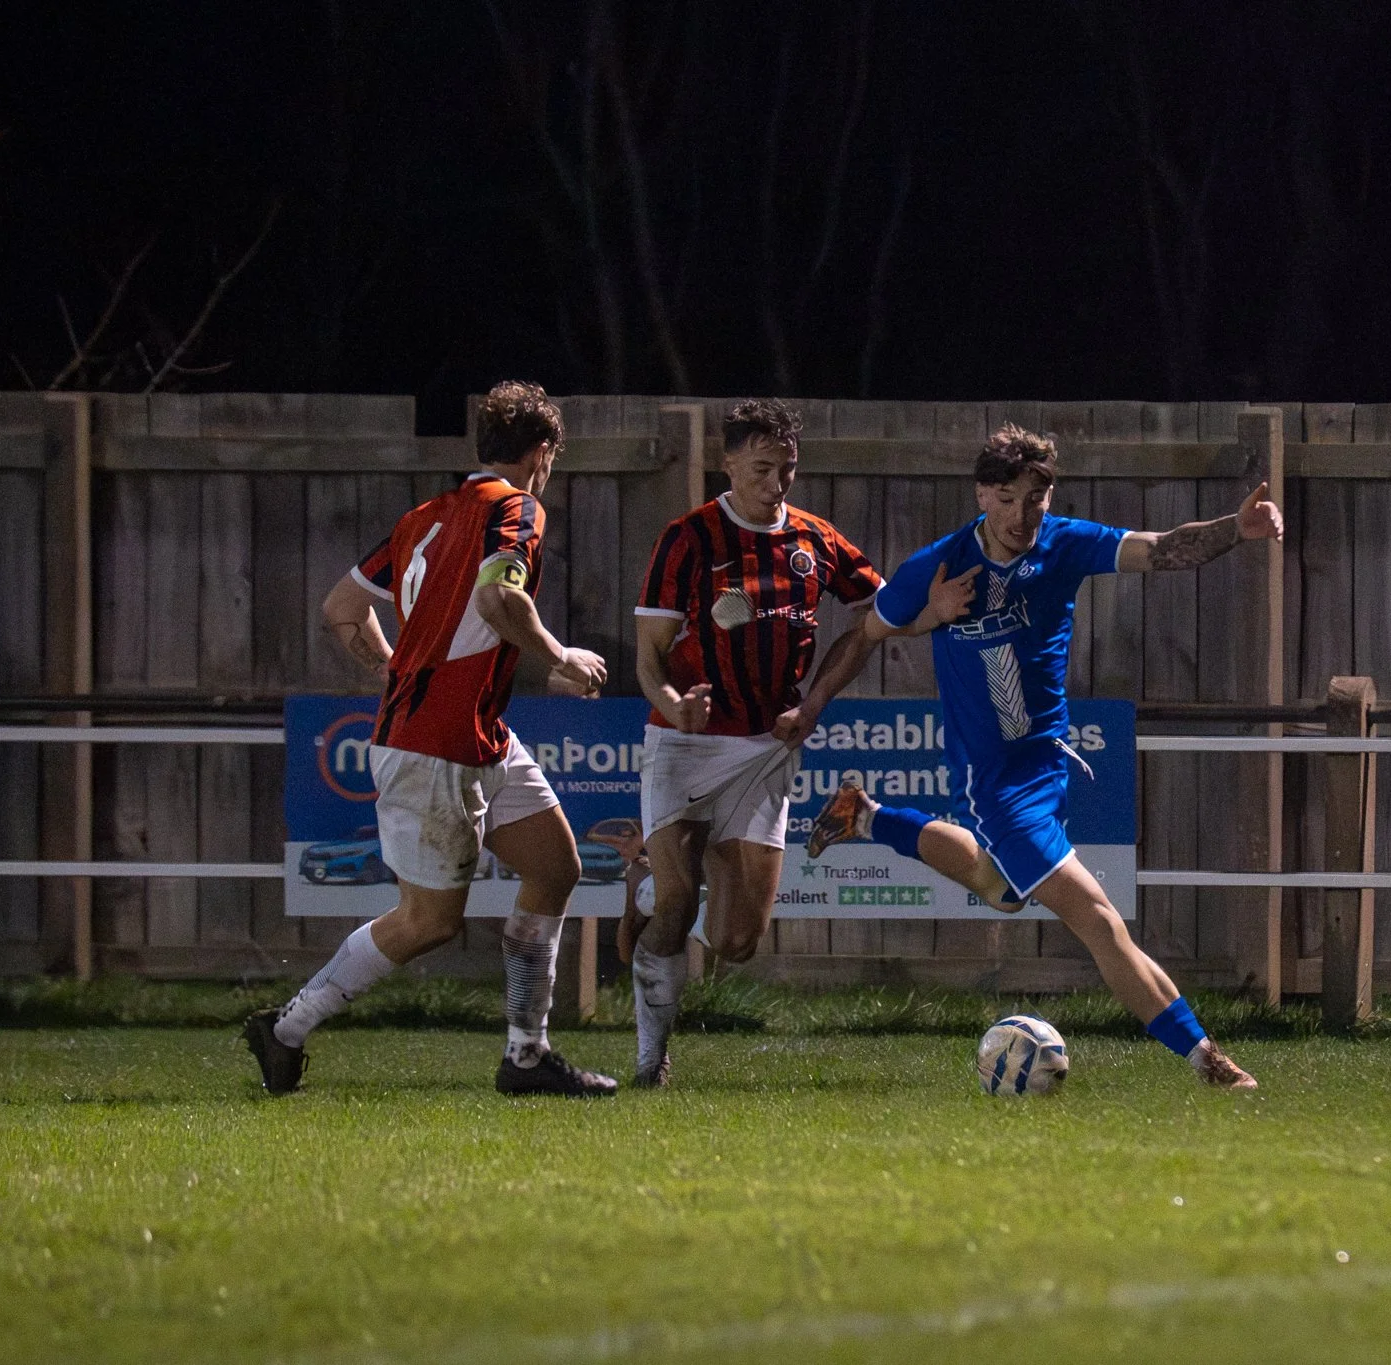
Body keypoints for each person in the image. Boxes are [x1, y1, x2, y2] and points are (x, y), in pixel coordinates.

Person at [804, 424, 1278, 1089]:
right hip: (997, 784)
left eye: (1036, 499)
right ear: (981, 495)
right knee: (1099, 920)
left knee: (1000, 891)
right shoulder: (938, 566)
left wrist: (1237, 528)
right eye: (1007, 500)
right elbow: (868, 631)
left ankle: (866, 816)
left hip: (1049, 760)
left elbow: (1163, 549)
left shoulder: (1064, 544)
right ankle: (1208, 1060)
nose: (1022, 516)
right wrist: (828, 692)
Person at [245, 381, 616, 1097]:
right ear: (542, 453)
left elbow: (342, 607)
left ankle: (527, 1055)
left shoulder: (424, 517)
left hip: (478, 735)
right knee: (428, 920)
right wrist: (560, 655)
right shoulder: (517, 508)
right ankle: (286, 1027)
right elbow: (499, 597)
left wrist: (399, 667)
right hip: (433, 745)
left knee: (555, 868)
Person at [624, 398, 889, 1087]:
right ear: (729, 463)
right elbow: (648, 657)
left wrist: (815, 701)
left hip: (766, 747)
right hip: (684, 743)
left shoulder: (814, 539)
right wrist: (673, 704)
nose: (777, 483)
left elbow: (876, 615)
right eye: (763, 468)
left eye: (787, 469)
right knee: (679, 905)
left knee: (738, 942)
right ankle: (650, 1060)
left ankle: (657, 881)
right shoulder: (688, 539)